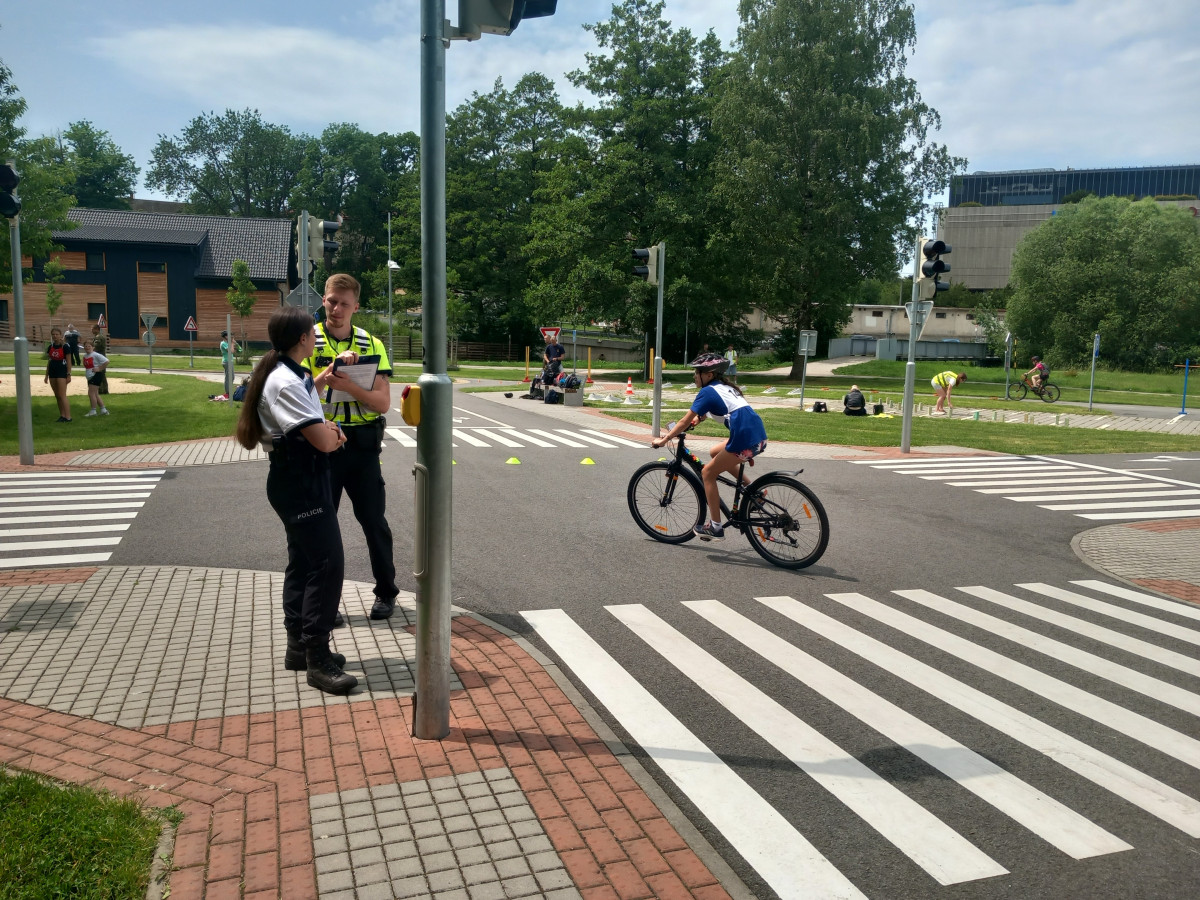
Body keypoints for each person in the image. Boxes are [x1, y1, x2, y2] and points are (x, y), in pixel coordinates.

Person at [235, 305, 356, 695]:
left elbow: (307, 401)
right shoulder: (284, 381)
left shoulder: (286, 372)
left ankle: (298, 646)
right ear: (302, 339)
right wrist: (335, 435)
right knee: (326, 564)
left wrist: (323, 381)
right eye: (313, 334)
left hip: (296, 479)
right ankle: (317, 659)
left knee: (303, 563)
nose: (317, 337)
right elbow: (320, 439)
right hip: (301, 480)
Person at [303, 273, 400, 622]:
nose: (337, 308)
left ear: (356, 306)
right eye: (331, 300)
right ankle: (326, 603)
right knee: (322, 527)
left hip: (361, 446)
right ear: (323, 300)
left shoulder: (371, 344)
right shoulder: (306, 341)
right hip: (321, 444)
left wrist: (349, 385)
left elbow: (383, 403)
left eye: (344, 303)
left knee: (374, 521)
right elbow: (294, 395)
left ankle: (386, 592)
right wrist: (326, 376)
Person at [651, 352, 768, 541]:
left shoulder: (706, 392)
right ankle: (755, 490)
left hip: (744, 439)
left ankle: (715, 526)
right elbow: (709, 412)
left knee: (707, 473)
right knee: (715, 452)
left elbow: (683, 421)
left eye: (698, 372)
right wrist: (698, 420)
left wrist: (664, 440)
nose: (695, 376)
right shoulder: (725, 387)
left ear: (709, 375)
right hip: (758, 436)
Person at [44, 327, 72, 422]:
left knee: (62, 395)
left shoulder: (65, 346)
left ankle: (68, 417)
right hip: (52, 372)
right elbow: (49, 361)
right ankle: (62, 415)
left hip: (62, 372)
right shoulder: (50, 346)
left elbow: (69, 361)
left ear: (60, 335)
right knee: (57, 395)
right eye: (53, 334)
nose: (55, 336)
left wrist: (68, 374)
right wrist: (46, 375)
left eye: (57, 334)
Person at [82, 339, 110, 416]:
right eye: (86, 346)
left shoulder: (95, 355)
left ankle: (93, 411)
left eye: (89, 346)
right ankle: (103, 409)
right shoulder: (85, 356)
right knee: (95, 394)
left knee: (91, 393)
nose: (87, 347)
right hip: (90, 376)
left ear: (93, 347)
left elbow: (106, 361)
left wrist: (99, 368)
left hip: (96, 375)